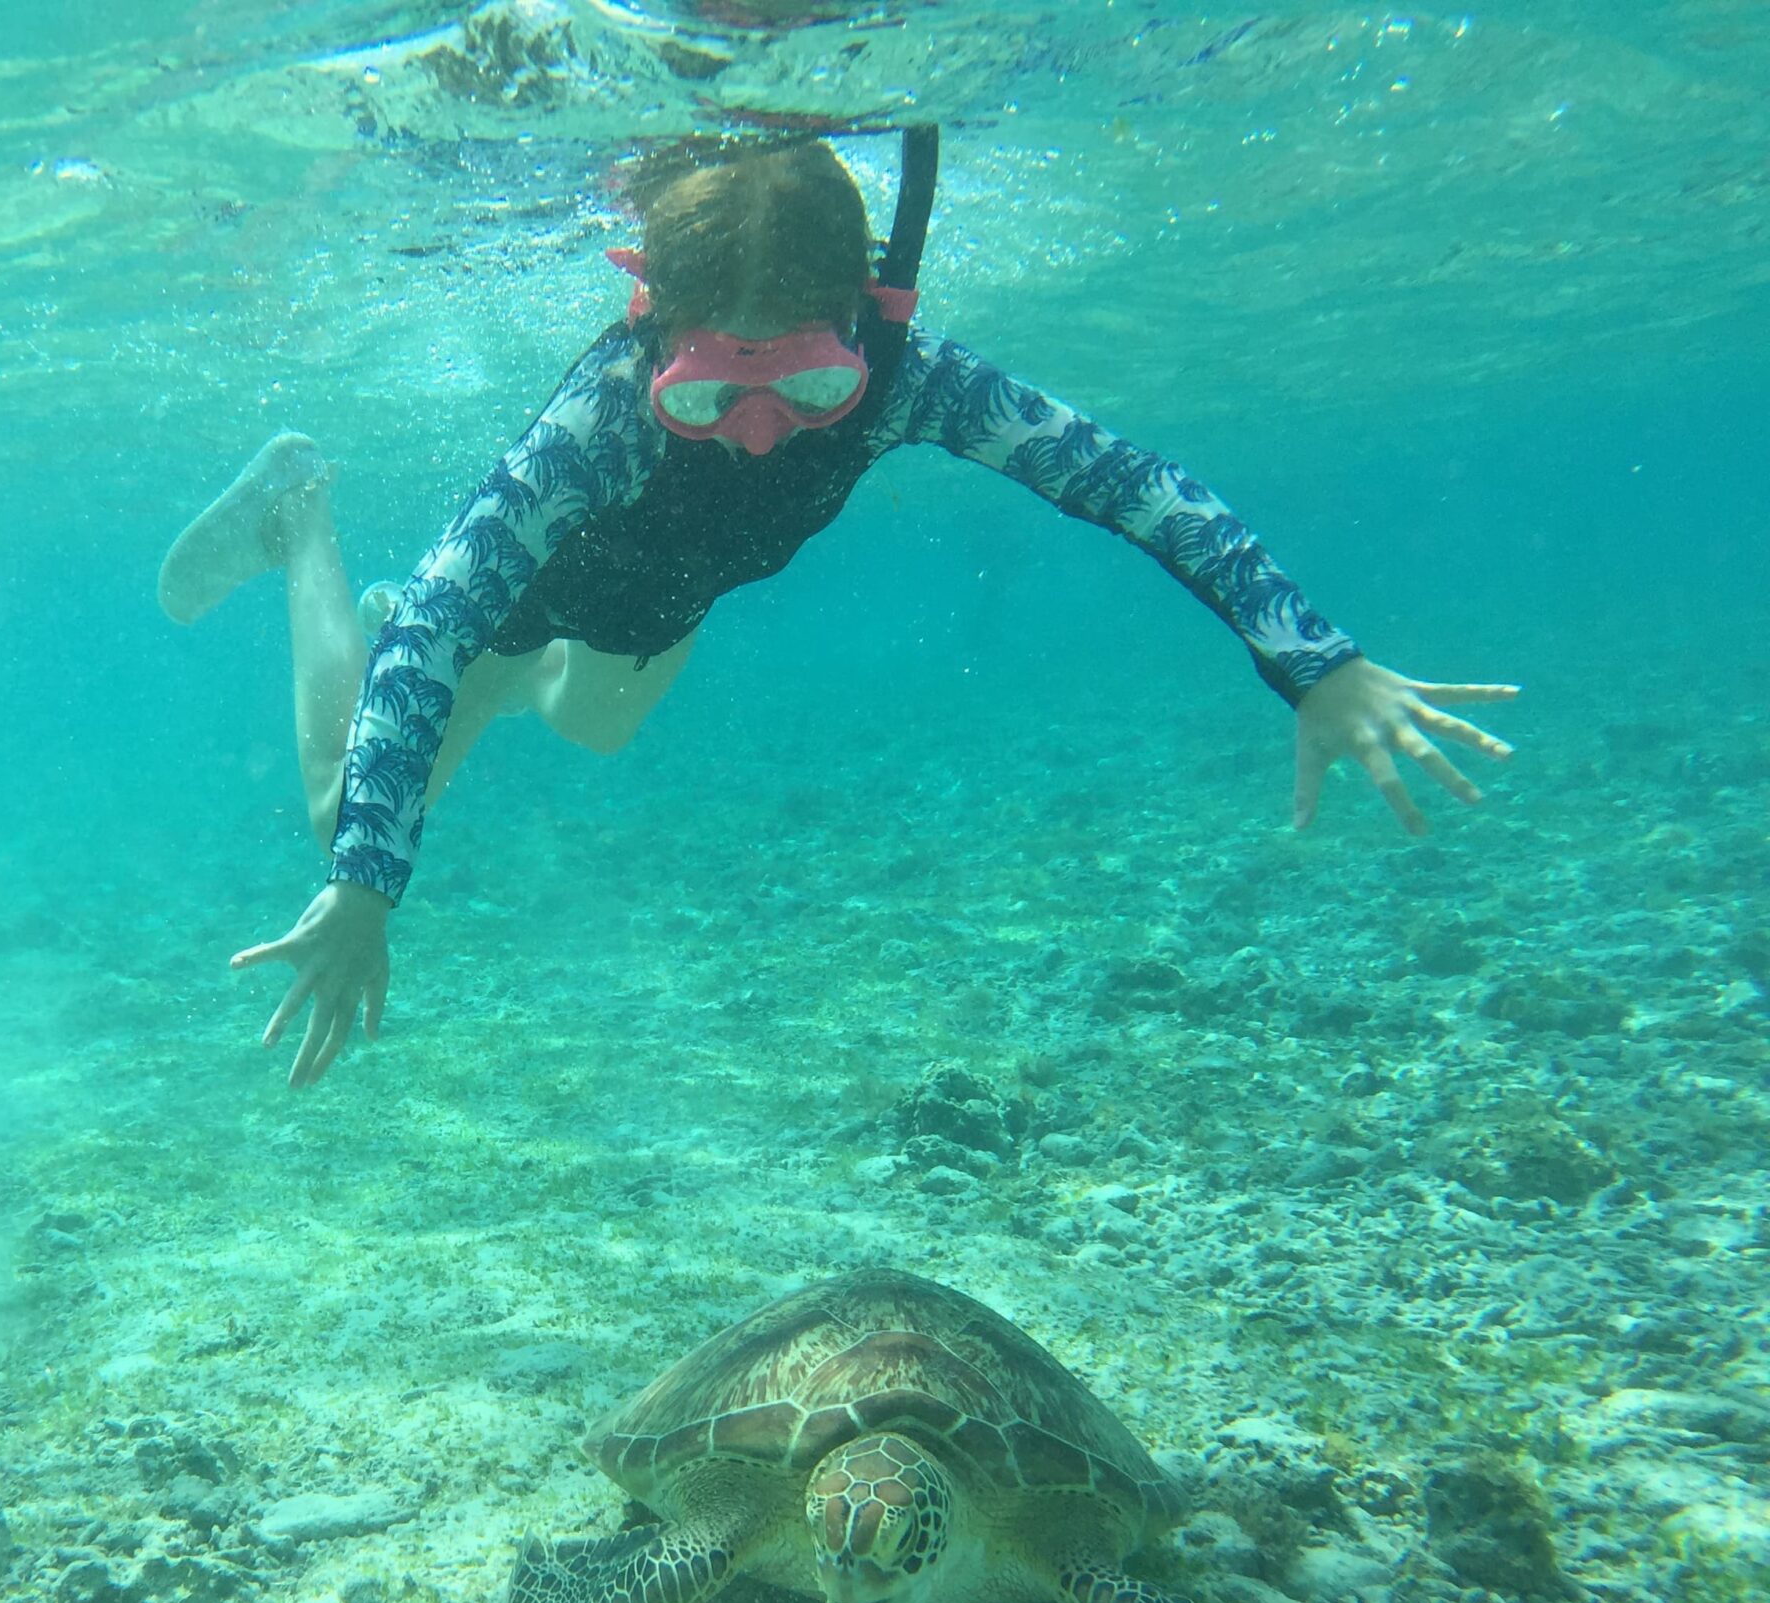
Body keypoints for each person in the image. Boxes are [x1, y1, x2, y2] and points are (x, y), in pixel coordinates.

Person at [157, 130, 1517, 1089]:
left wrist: (1316, 662)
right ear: (652, 346)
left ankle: (501, 677)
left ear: (861, 331)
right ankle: (304, 514)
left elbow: (1126, 483)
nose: (756, 437)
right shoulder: (591, 431)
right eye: (708, 396)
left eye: (806, 393)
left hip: (655, 620)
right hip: (532, 608)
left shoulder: (917, 378)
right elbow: (440, 625)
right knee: (354, 803)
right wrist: (367, 888)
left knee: (597, 729)